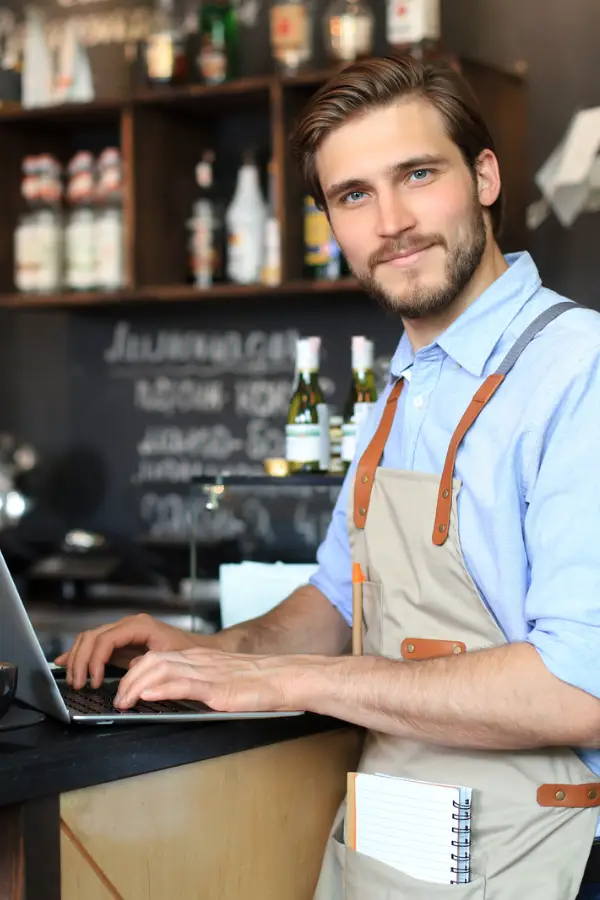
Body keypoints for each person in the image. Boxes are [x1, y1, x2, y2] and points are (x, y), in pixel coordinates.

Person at [56, 57, 600, 899]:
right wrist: (213, 653)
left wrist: (286, 679)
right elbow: (337, 598)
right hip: (390, 853)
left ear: (484, 177)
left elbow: (580, 684)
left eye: (417, 175)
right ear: (331, 224)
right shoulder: (406, 383)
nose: (392, 221)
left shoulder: (579, 370)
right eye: (354, 196)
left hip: (543, 856)